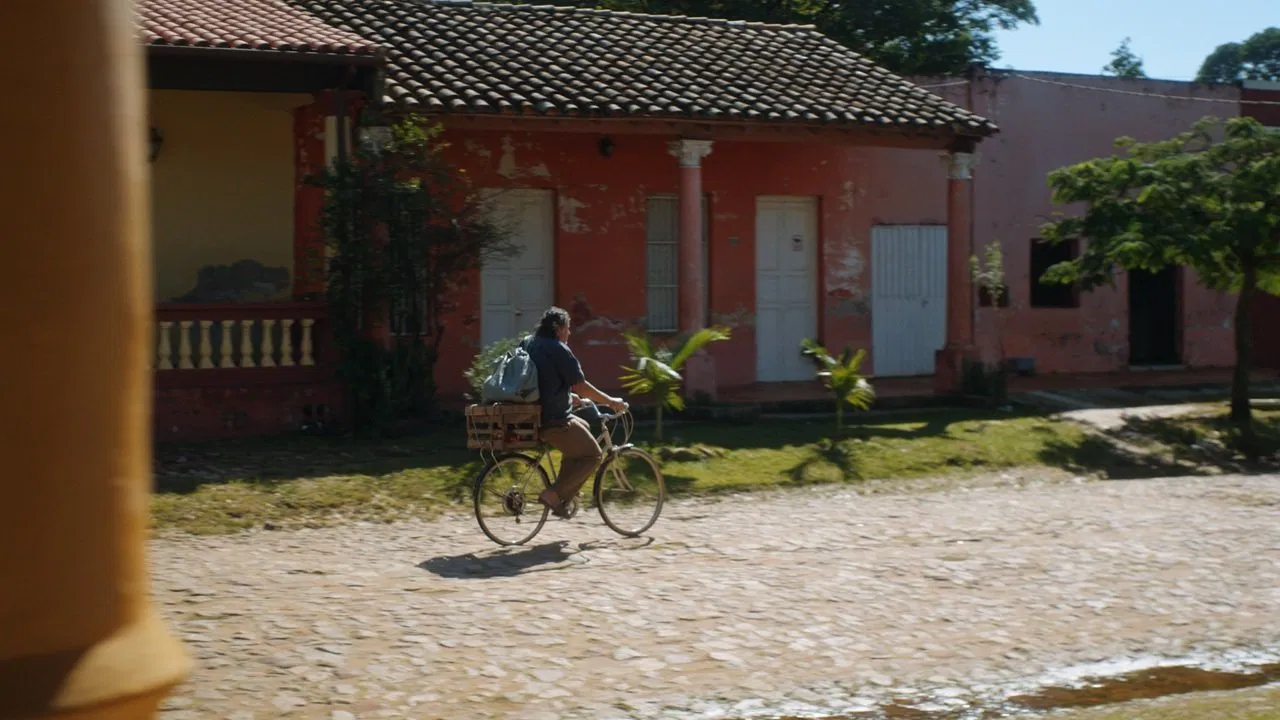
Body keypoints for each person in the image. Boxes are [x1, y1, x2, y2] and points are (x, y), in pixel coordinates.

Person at [523, 306, 628, 517]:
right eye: (568, 328)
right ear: (559, 329)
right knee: (593, 456)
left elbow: (540, 380)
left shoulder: (529, 342)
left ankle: (564, 495)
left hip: (533, 414)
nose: (569, 332)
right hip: (554, 420)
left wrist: (569, 397)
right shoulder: (559, 349)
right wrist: (611, 402)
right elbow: (581, 385)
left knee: (584, 427)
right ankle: (554, 494)